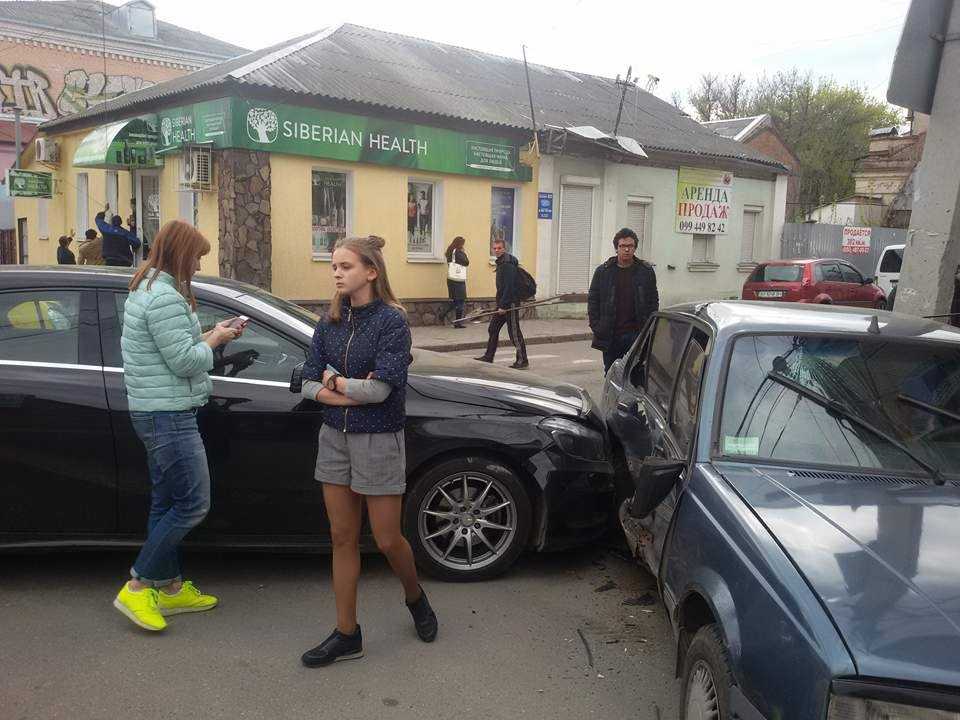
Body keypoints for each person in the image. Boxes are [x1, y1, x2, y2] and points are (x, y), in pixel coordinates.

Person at [299, 235, 438, 668]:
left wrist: (334, 381)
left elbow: (381, 392)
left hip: (378, 438)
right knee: (342, 537)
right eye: (334, 266)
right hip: (334, 438)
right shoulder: (328, 322)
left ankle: (414, 596)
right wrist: (341, 391)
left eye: (346, 266)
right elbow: (306, 380)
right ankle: (347, 634)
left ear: (371, 272)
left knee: (387, 538)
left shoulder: (391, 321)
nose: (337, 273)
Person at [112, 220, 242, 632]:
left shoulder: (147, 288)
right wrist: (215, 342)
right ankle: (137, 587)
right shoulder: (165, 297)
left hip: (156, 411)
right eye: (198, 257)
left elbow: (174, 348)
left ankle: (169, 588)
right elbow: (185, 361)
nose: (199, 265)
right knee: (193, 504)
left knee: (166, 502)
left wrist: (213, 333)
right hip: (168, 416)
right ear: (182, 255)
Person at [588, 228, 659, 373]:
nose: (626, 249)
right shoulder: (603, 272)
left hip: (637, 335)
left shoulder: (645, 271)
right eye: (622, 246)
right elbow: (593, 300)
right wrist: (597, 326)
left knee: (635, 374)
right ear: (616, 248)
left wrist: (649, 327)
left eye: (630, 246)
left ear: (635, 248)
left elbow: (653, 300)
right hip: (611, 335)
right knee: (611, 373)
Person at [474, 238, 528, 369]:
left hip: (510, 303)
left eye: (499, 248)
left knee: (514, 332)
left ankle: (522, 360)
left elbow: (509, 287)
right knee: (493, 328)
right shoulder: (501, 262)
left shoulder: (508, 264)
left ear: (504, 249)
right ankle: (489, 356)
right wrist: (500, 304)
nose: (497, 250)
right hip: (502, 303)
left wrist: (503, 306)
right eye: (495, 248)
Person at [439, 236, 469, 328]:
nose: (463, 246)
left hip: (451, 279)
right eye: (463, 244)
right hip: (458, 280)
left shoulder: (450, 251)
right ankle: (457, 322)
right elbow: (466, 262)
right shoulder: (458, 253)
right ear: (460, 244)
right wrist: (463, 252)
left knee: (456, 301)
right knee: (460, 300)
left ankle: (443, 314)